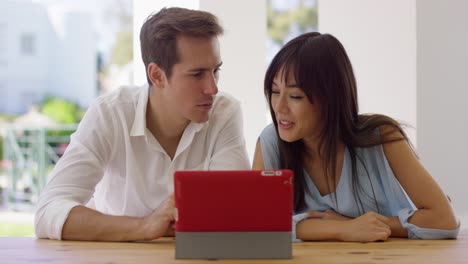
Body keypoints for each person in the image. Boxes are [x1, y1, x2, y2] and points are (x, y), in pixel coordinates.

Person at [35, 7, 250, 241]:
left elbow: (234, 210)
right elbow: (48, 213)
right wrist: (145, 227)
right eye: (197, 74)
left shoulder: (224, 113)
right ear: (157, 75)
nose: (213, 88)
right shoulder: (110, 114)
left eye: (215, 71)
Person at [253, 32, 459, 242]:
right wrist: (342, 229)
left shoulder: (382, 136)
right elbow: (256, 225)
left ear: (330, 99)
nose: (278, 107)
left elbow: (444, 220)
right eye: (274, 91)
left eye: (295, 96)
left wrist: (373, 225)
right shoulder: (271, 143)